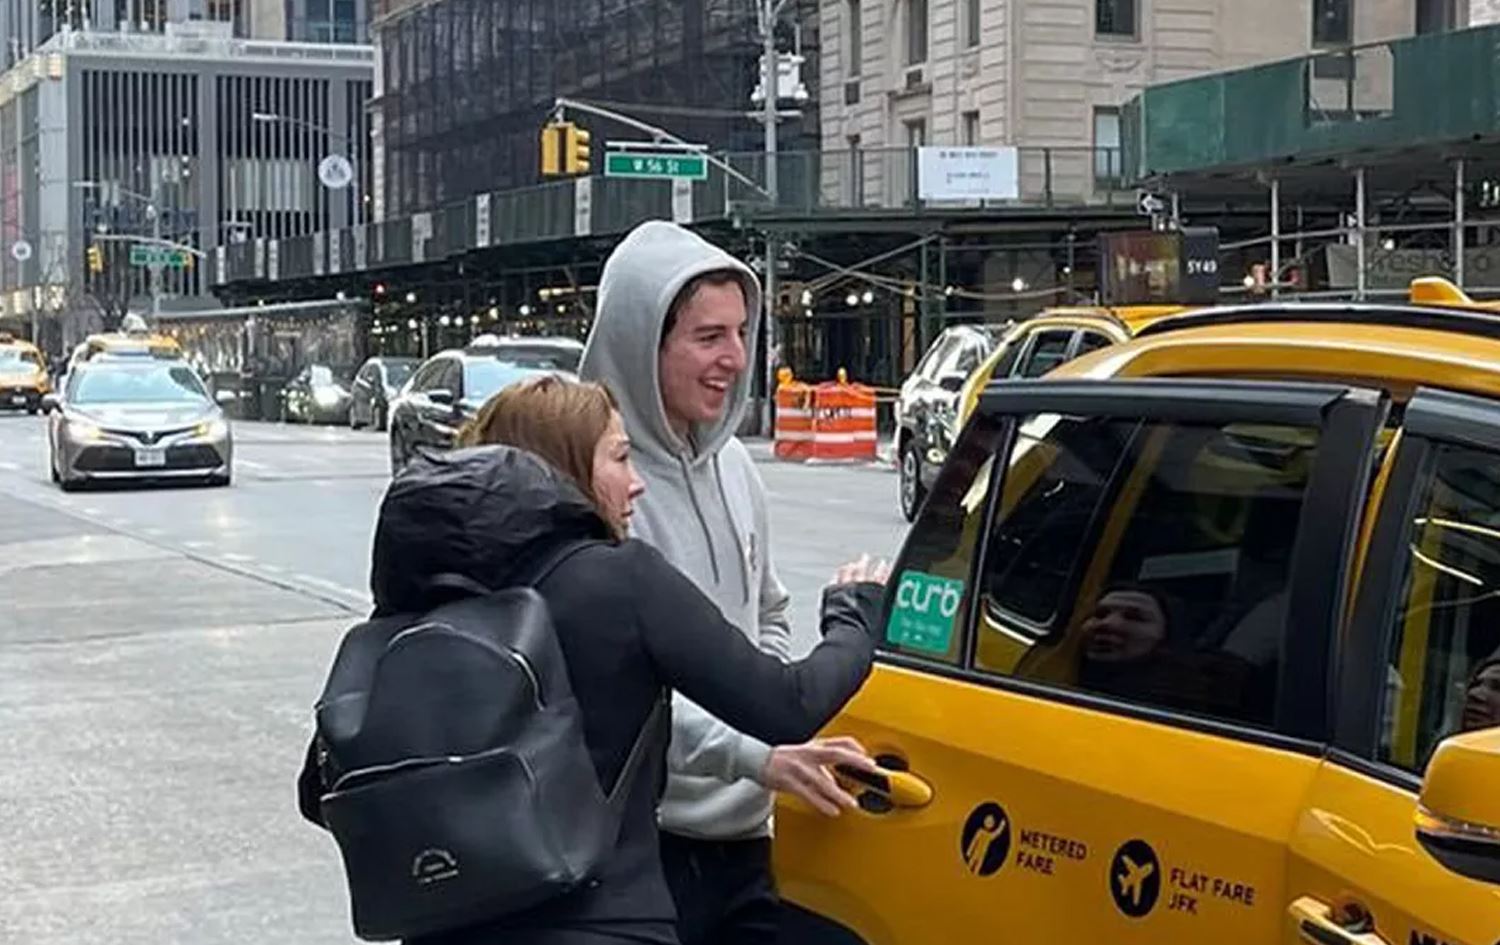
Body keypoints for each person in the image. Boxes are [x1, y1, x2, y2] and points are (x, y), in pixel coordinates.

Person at [299, 373, 886, 945]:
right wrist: (854, 617)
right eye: (620, 458)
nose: (637, 484)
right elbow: (788, 705)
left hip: (445, 927)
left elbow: (320, 790)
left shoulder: (426, 596)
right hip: (606, 921)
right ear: (565, 467)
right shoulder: (619, 580)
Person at [579, 220, 874, 945]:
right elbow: (616, 689)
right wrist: (756, 749)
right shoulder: (600, 490)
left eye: (741, 332)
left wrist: (757, 709)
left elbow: (767, 610)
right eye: (708, 337)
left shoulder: (736, 469)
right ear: (643, 344)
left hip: (747, 836)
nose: (734, 358)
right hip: (644, 844)